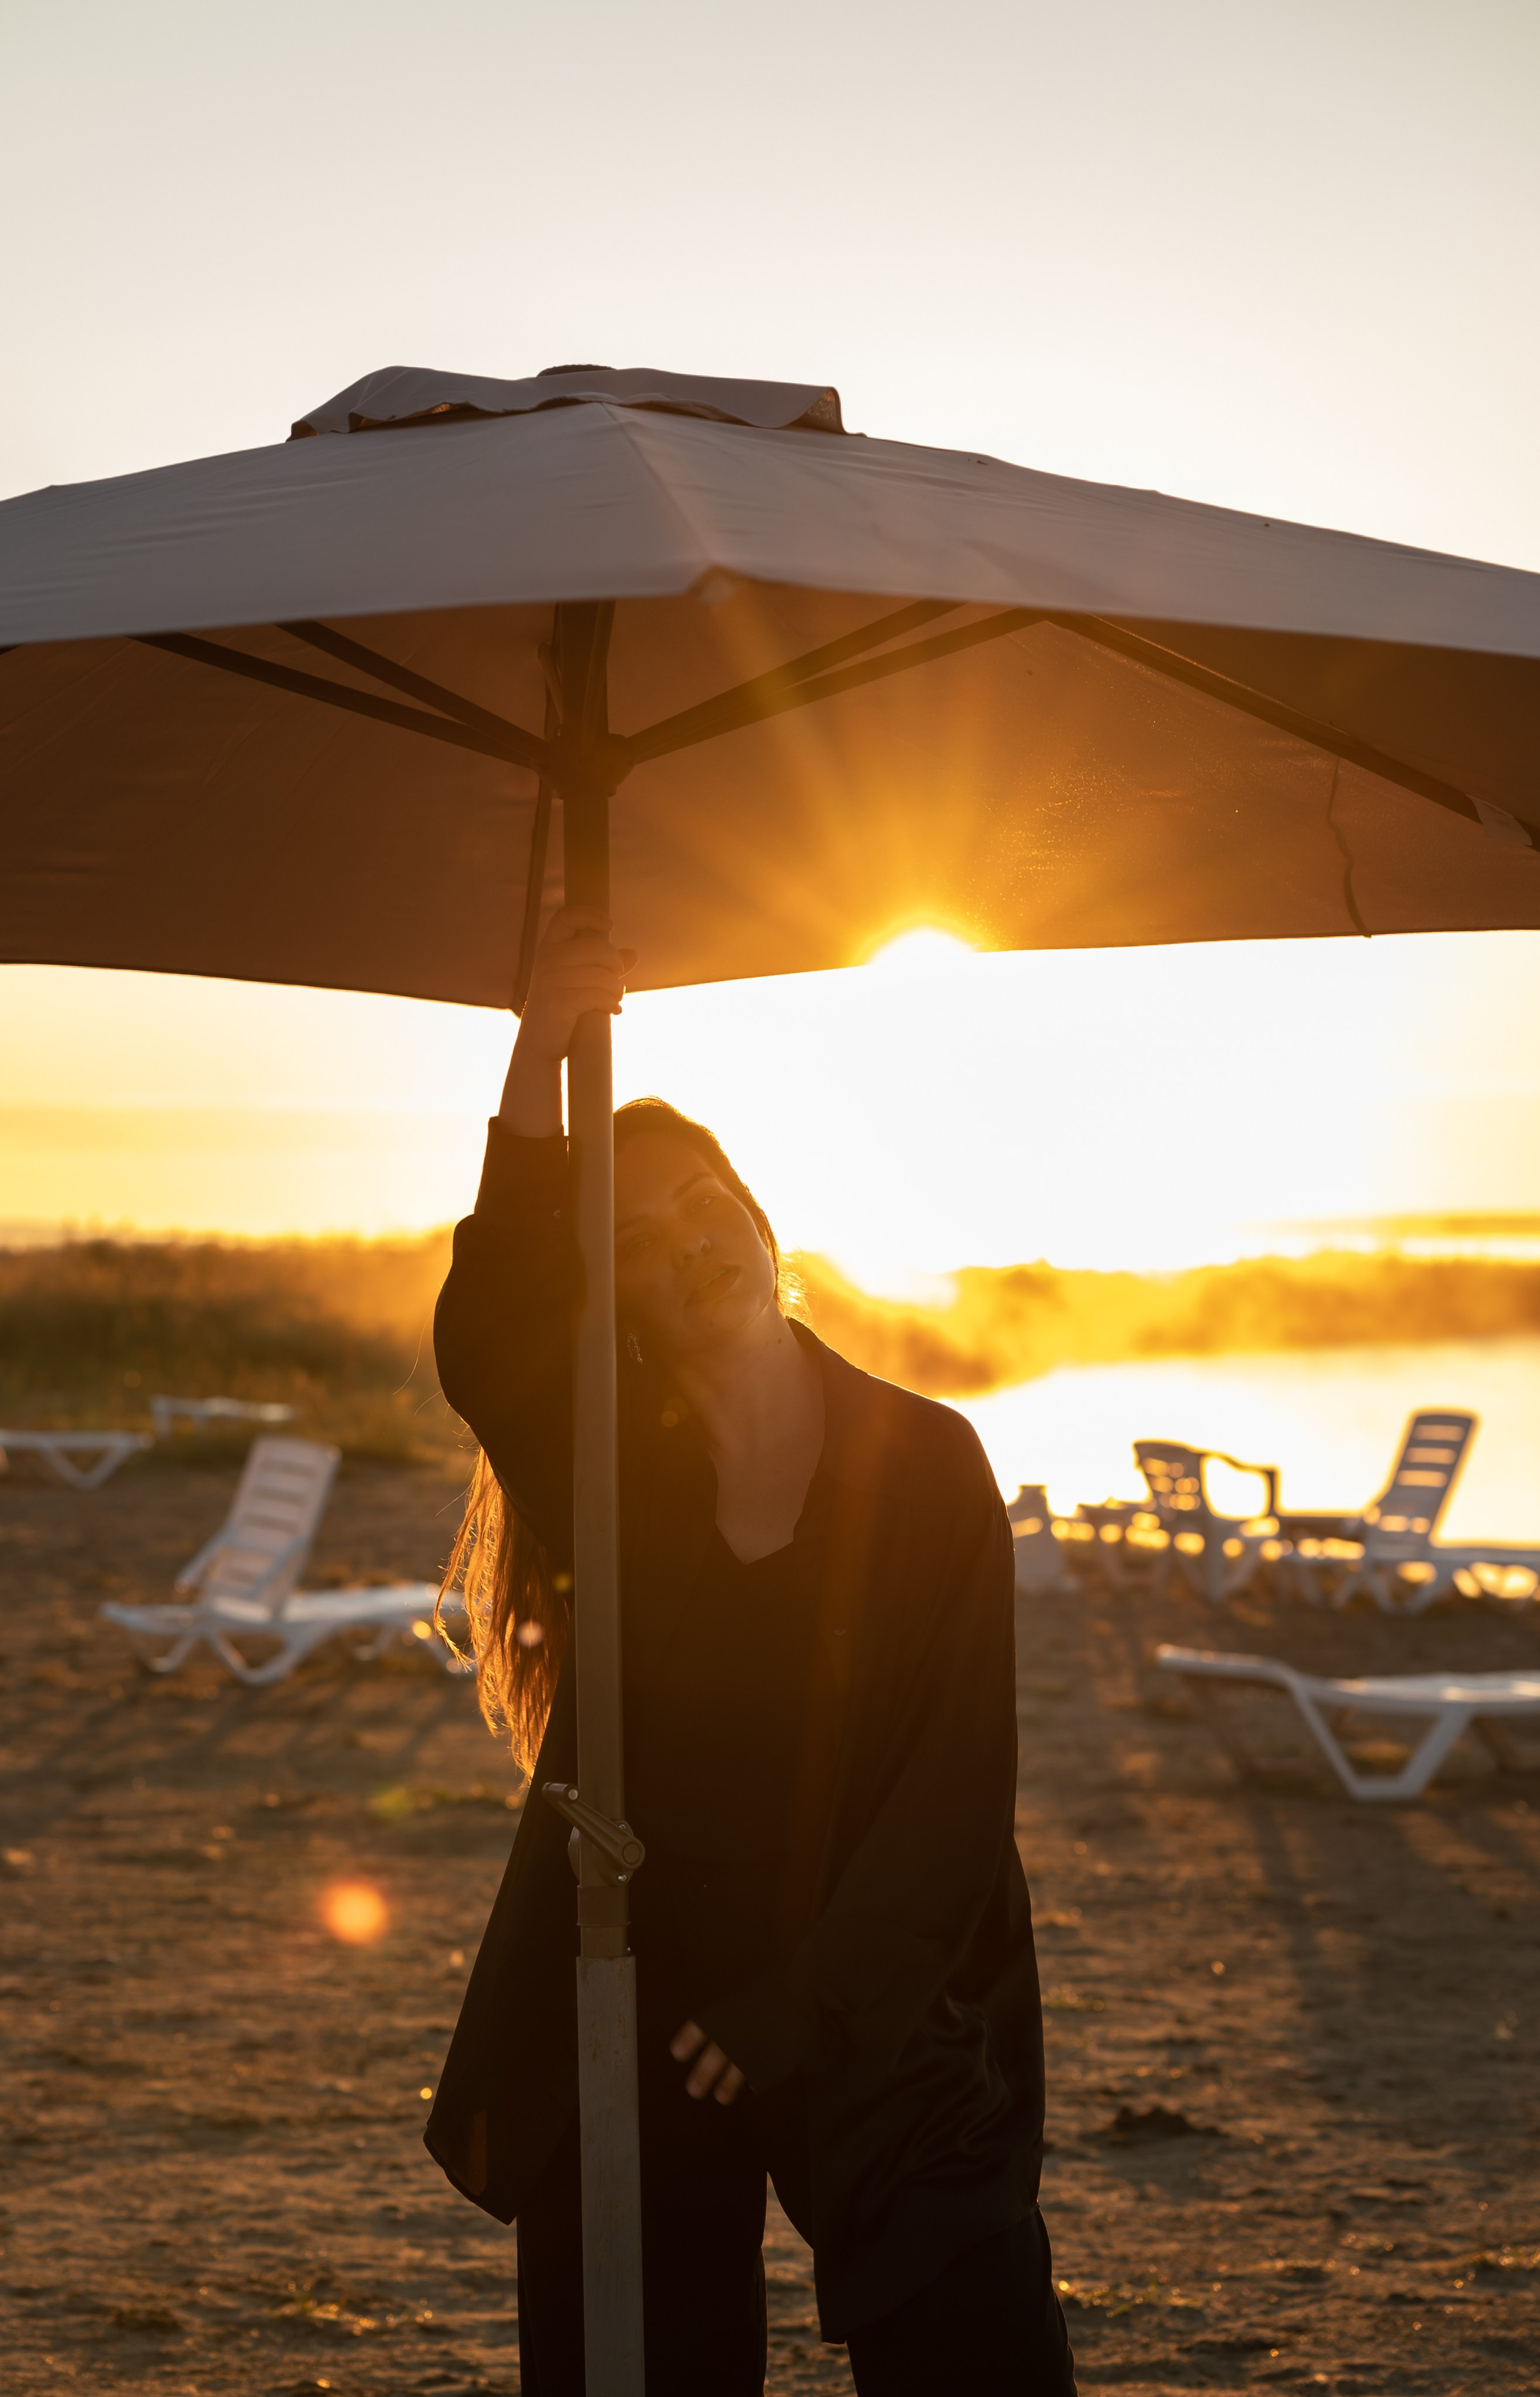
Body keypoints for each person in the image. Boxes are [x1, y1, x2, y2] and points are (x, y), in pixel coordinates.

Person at [424, 905, 1075, 2397]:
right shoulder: (603, 1467)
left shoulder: (926, 1465)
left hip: (884, 1986)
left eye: (701, 1195)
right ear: (621, 1307)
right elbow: (491, 1328)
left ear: (758, 1206)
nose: (687, 1241)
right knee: (631, 2356)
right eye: (636, 1243)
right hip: (637, 1975)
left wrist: (809, 2000)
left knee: (969, 2338)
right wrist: (538, 1042)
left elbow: (952, 1800)